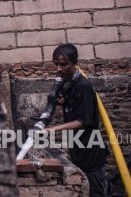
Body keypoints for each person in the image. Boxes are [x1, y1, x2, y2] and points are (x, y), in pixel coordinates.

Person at [45, 43, 109, 197]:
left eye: (64, 64)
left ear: (75, 63)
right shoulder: (68, 83)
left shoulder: (83, 86)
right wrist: (64, 102)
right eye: (56, 64)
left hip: (90, 149)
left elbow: (83, 121)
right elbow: (75, 107)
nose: (59, 69)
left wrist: (52, 129)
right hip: (78, 147)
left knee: (96, 191)